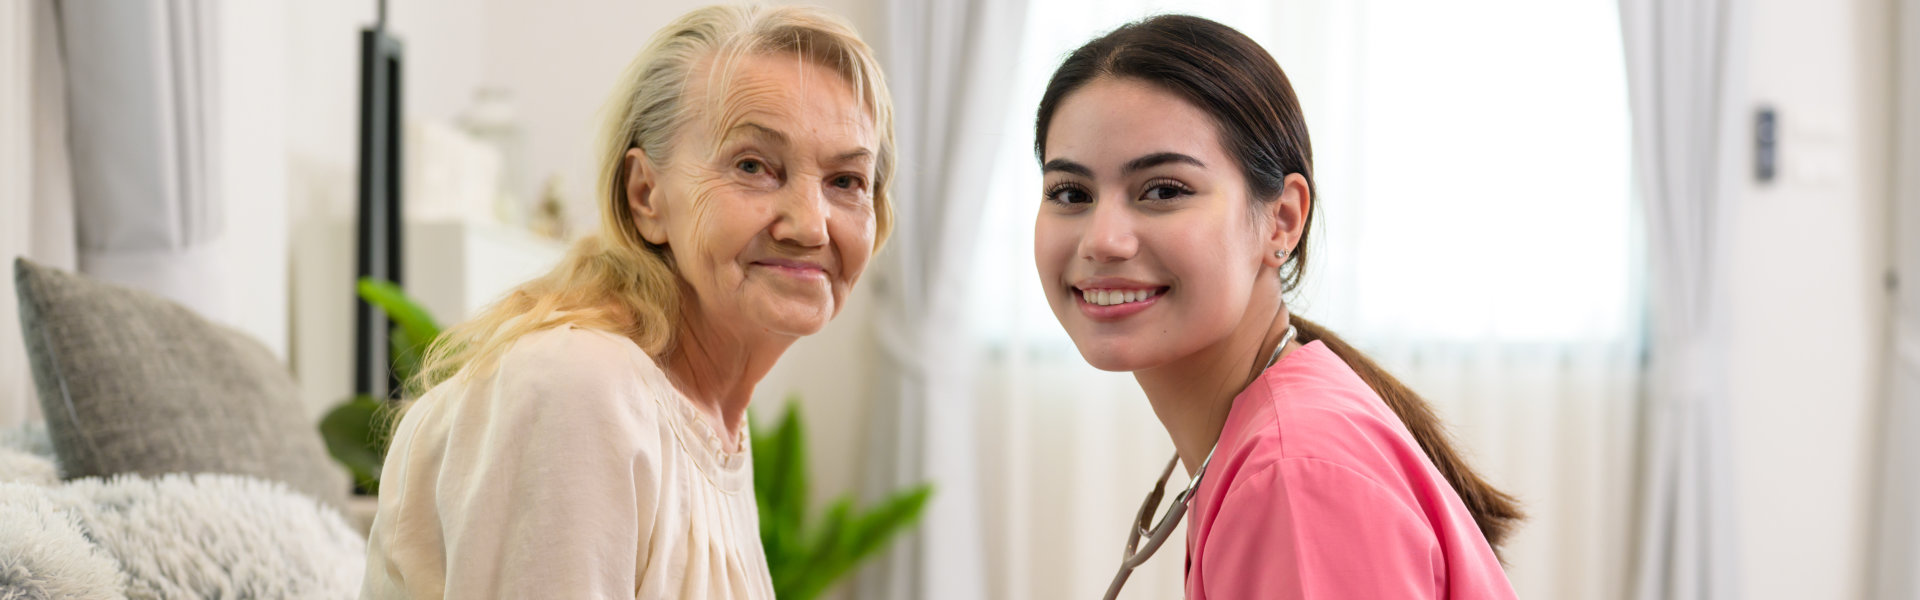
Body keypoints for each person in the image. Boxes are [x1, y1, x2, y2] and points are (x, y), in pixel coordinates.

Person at [359, 5, 894, 598]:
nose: (811, 225)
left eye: (846, 181)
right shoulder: (580, 387)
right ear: (646, 195)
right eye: (754, 166)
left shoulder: (709, 422)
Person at [1031, 14, 1522, 599]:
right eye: (1071, 194)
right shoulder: (1272, 439)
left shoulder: (1293, 476)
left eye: (1163, 190)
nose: (1102, 240)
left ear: (1282, 219)